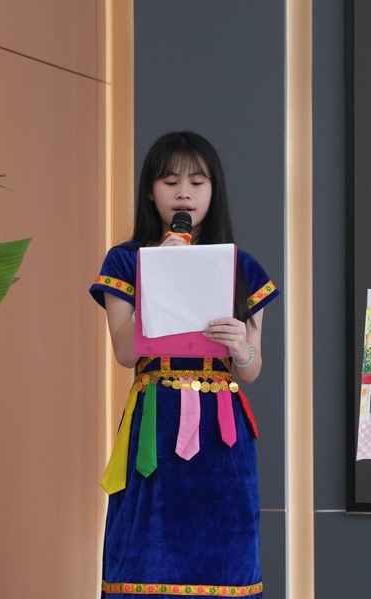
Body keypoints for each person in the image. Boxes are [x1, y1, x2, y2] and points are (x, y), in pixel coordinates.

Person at [90, 131, 279, 598]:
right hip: (154, 428)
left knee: (226, 566)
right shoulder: (127, 261)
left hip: (222, 434)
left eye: (197, 182)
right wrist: (159, 272)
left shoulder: (242, 267)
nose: (184, 193)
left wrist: (242, 346)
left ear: (214, 191)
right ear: (150, 191)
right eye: (170, 181)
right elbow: (124, 352)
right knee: (144, 556)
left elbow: (251, 369)